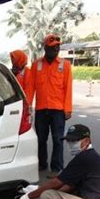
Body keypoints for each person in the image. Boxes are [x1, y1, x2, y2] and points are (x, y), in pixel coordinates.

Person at [28, 34, 73, 178]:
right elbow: (30, 88)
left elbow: (68, 88)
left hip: (58, 110)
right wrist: (28, 107)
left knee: (58, 139)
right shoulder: (36, 65)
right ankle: (42, 164)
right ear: (46, 48)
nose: (56, 50)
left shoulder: (64, 65)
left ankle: (57, 168)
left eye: (58, 47)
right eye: (53, 47)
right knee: (41, 139)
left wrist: (68, 109)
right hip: (41, 109)